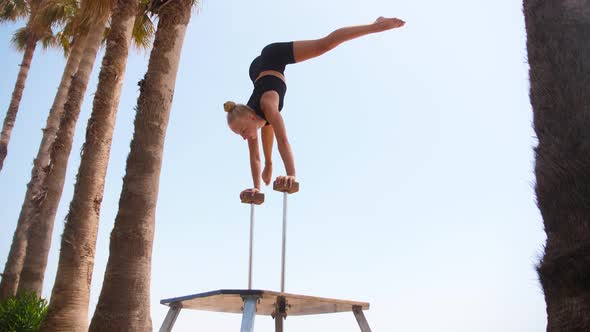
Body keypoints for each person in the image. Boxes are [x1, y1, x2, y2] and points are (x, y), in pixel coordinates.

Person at [224, 17, 405, 199]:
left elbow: (283, 141)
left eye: (243, 131)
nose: (244, 136)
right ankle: (269, 164)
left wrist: (291, 174)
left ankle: (377, 25)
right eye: (240, 134)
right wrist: (256, 188)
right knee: (266, 126)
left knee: (323, 45)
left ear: (251, 118)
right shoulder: (249, 121)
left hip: (271, 57)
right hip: (256, 70)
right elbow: (255, 157)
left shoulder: (267, 105)